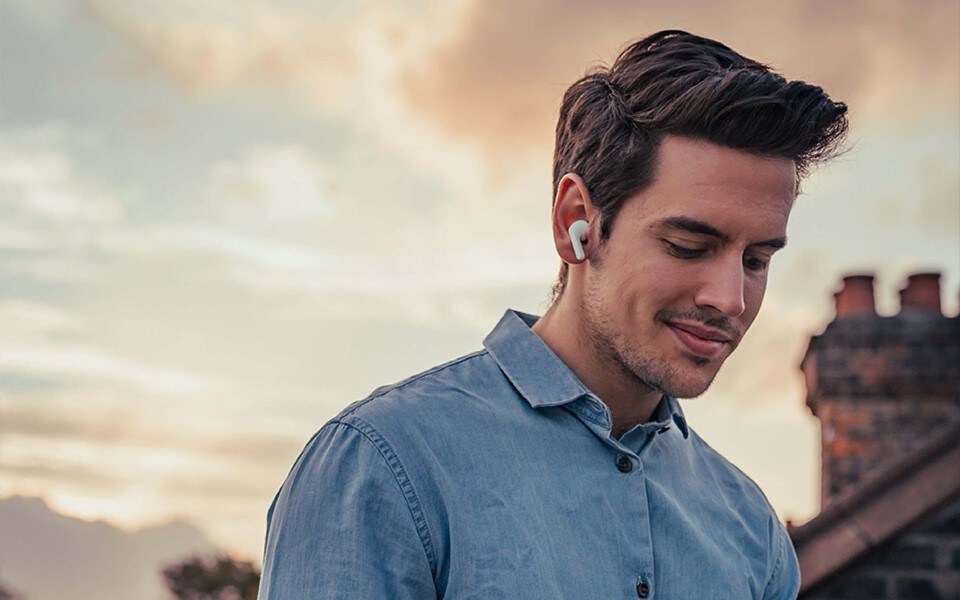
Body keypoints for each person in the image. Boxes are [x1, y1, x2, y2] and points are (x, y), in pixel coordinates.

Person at [258, 30, 847, 599]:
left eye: (757, 259)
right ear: (576, 223)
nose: (730, 299)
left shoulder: (752, 532)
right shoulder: (383, 465)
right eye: (688, 246)